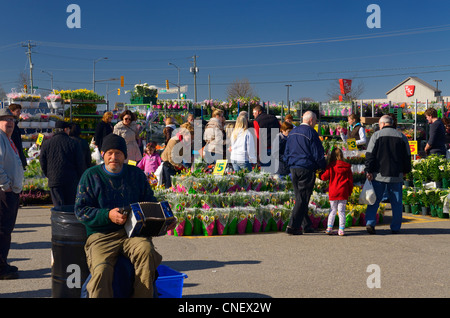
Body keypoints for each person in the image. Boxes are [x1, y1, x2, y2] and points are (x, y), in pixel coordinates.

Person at [75, 134, 175, 297]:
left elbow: (150, 201)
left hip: (133, 234)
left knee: (146, 252)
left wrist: (167, 218)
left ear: (125, 155)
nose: (114, 157)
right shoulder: (91, 176)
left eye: (118, 153)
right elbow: (81, 210)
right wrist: (107, 215)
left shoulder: (136, 174)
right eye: (110, 153)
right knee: (101, 270)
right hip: (101, 236)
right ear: (103, 154)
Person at [365, 115, 412, 234]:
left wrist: (368, 170)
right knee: (396, 202)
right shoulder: (402, 136)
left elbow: (370, 155)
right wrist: (406, 171)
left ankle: (370, 223)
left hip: (378, 174)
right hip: (396, 175)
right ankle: (395, 227)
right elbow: (407, 156)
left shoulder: (376, 135)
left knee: (374, 200)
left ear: (382, 124)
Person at [284, 111, 326, 235]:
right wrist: (322, 167)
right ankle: (293, 226)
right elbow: (318, 153)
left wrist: (289, 164)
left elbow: (286, 151)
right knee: (302, 198)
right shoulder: (311, 133)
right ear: (311, 120)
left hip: (294, 167)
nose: (316, 123)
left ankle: (306, 225)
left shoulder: (292, 133)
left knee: (300, 197)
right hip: (306, 167)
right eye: (316, 121)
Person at [0, 108, 24, 280]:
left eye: (12, 119)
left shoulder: (8, 139)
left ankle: (3, 262)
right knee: (2, 230)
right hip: (4, 192)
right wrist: (6, 185)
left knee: (6, 230)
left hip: (11, 192)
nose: (9, 122)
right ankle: (1, 268)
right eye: (5, 119)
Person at [39, 121, 85, 207]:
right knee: (69, 206)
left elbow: (42, 161)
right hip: (71, 180)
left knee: (58, 206)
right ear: (65, 129)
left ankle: (57, 220)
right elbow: (80, 163)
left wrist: (49, 174)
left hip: (54, 180)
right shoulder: (74, 143)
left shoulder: (46, 144)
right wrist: (80, 177)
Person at [319, 147, 353, 236]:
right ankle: (341, 230)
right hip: (343, 191)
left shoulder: (331, 166)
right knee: (341, 211)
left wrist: (319, 174)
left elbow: (324, 177)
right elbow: (350, 181)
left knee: (332, 210)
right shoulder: (347, 167)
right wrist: (349, 191)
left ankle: (329, 228)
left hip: (333, 191)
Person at [161, 123, 194, 188]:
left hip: (177, 166)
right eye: (190, 138)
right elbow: (172, 159)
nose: (191, 140)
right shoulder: (174, 141)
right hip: (169, 166)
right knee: (170, 187)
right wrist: (182, 168)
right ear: (184, 134)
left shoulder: (186, 142)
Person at [8, 104, 27, 169]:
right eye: (17, 111)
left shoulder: (15, 126)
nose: (19, 113)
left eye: (20, 111)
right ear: (11, 111)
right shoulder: (11, 127)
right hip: (14, 156)